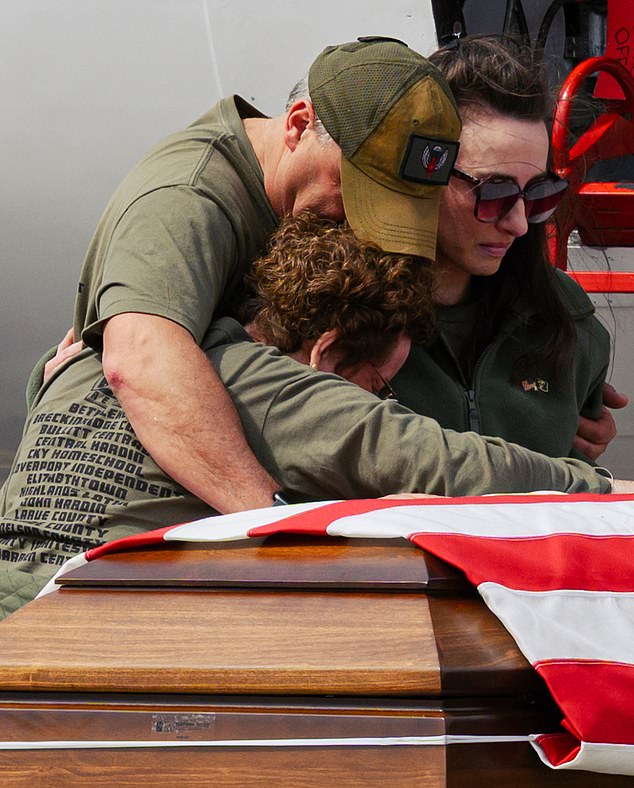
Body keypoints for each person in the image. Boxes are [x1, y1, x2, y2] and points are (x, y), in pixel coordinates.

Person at [2, 213, 628, 622]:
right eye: (378, 387)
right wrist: (603, 491)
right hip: (73, 635)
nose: (381, 404)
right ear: (325, 352)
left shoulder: (85, 356)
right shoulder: (277, 389)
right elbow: (445, 463)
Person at [48, 37, 461, 517]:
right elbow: (141, 360)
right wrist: (276, 521)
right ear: (299, 125)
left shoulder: (294, 198)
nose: (360, 225)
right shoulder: (188, 198)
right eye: (357, 192)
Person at [389, 33, 628, 460]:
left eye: (539, 194)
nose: (519, 223)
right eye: (494, 192)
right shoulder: (342, 319)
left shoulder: (568, 324)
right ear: (425, 172)